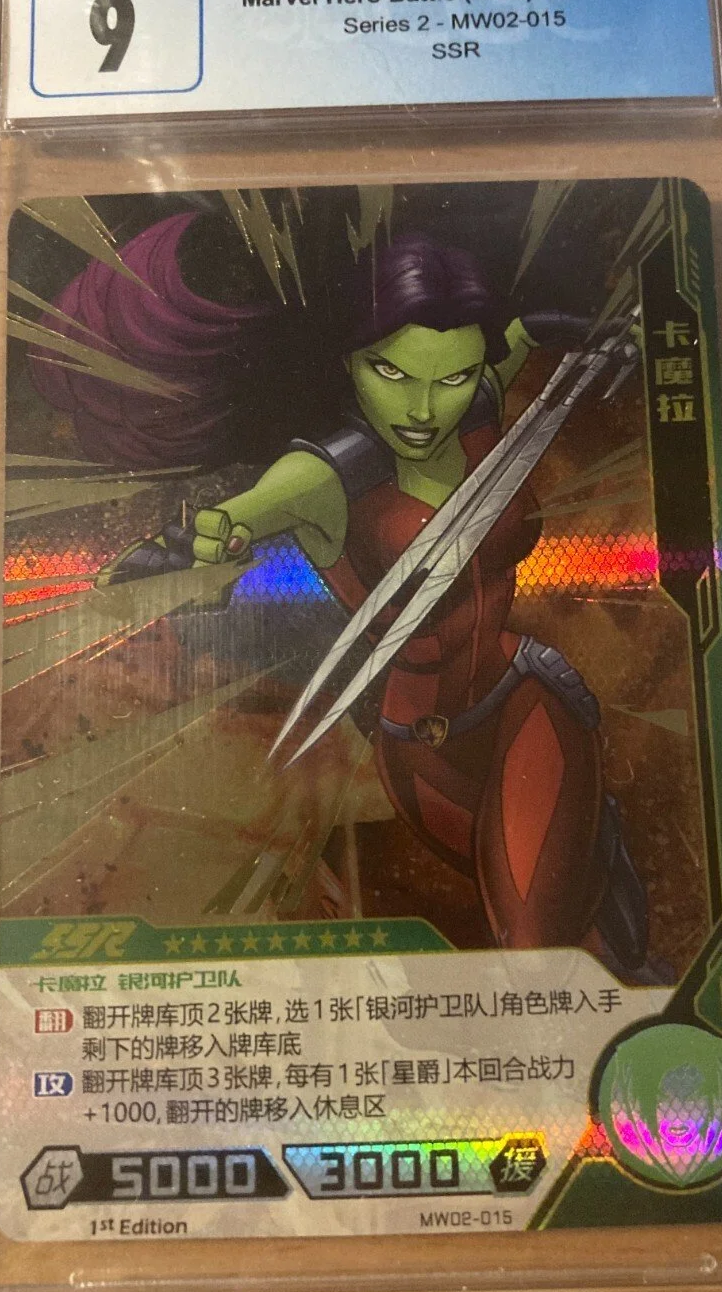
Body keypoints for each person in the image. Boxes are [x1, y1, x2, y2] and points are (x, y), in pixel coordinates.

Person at [95, 230, 651, 973]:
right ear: (350, 361)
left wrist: (599, 333)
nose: (423, 408)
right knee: (551, 942)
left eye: (452, 377)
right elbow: (233, 519)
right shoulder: (324, 477)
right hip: (422, 748)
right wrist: (186, 549)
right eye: (391, 372)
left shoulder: (478, 405)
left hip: (529, 697)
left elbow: (520, 335)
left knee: (539, 946)